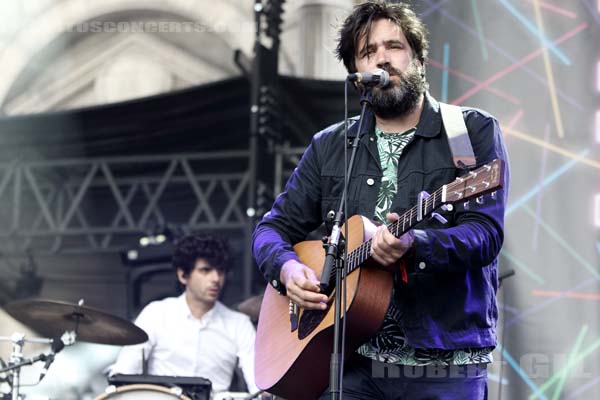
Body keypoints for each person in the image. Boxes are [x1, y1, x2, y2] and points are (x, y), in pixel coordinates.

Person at [252, 1, 509, 399]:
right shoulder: (331, 145)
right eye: (368, 52)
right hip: (352, 361)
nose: (383, 59)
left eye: (394, 46)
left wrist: (416, 245)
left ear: (418, 57)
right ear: (356, 74)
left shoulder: (468, 132)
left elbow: (485, 234)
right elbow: (272, 228)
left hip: (444, 363)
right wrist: (287, 270)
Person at [110, 234, 258, 394]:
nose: (216, 278)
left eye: (220, 271)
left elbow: (259, 385)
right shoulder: (157, 313)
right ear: (183, 275)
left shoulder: (239, 324)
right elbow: (123, 375)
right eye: (205, 270)